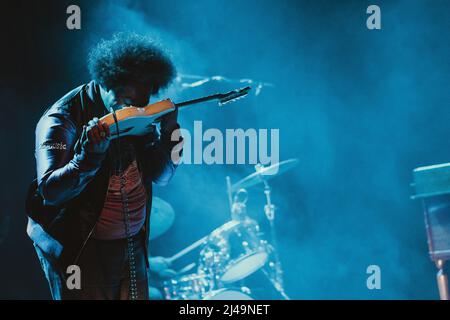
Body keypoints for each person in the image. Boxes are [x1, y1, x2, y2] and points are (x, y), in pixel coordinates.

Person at [25, 32, 182, 300]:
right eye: (128, 102)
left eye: (143, 103)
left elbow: (163, 176)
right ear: (105, 83)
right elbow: (51, 192)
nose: (135, 109)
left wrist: (171, 134)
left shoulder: (137, 111)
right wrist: (88, 158)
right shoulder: (61, 119)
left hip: (132, 245)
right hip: (81, 250)